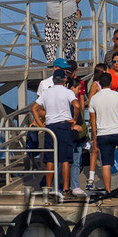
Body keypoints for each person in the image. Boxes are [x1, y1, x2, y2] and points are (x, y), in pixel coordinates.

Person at [34, 59, 79, 191]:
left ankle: (48, 188)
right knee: (65, 159)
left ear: (53, 80)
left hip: (50, 127)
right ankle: (65, 188)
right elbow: (76, 105)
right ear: (64, 79)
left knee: (50, 160)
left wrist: (39, 124)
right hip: (64, 126)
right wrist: (74, 119)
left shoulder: (46, 92)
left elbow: (34, 108)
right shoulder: (67, 92)